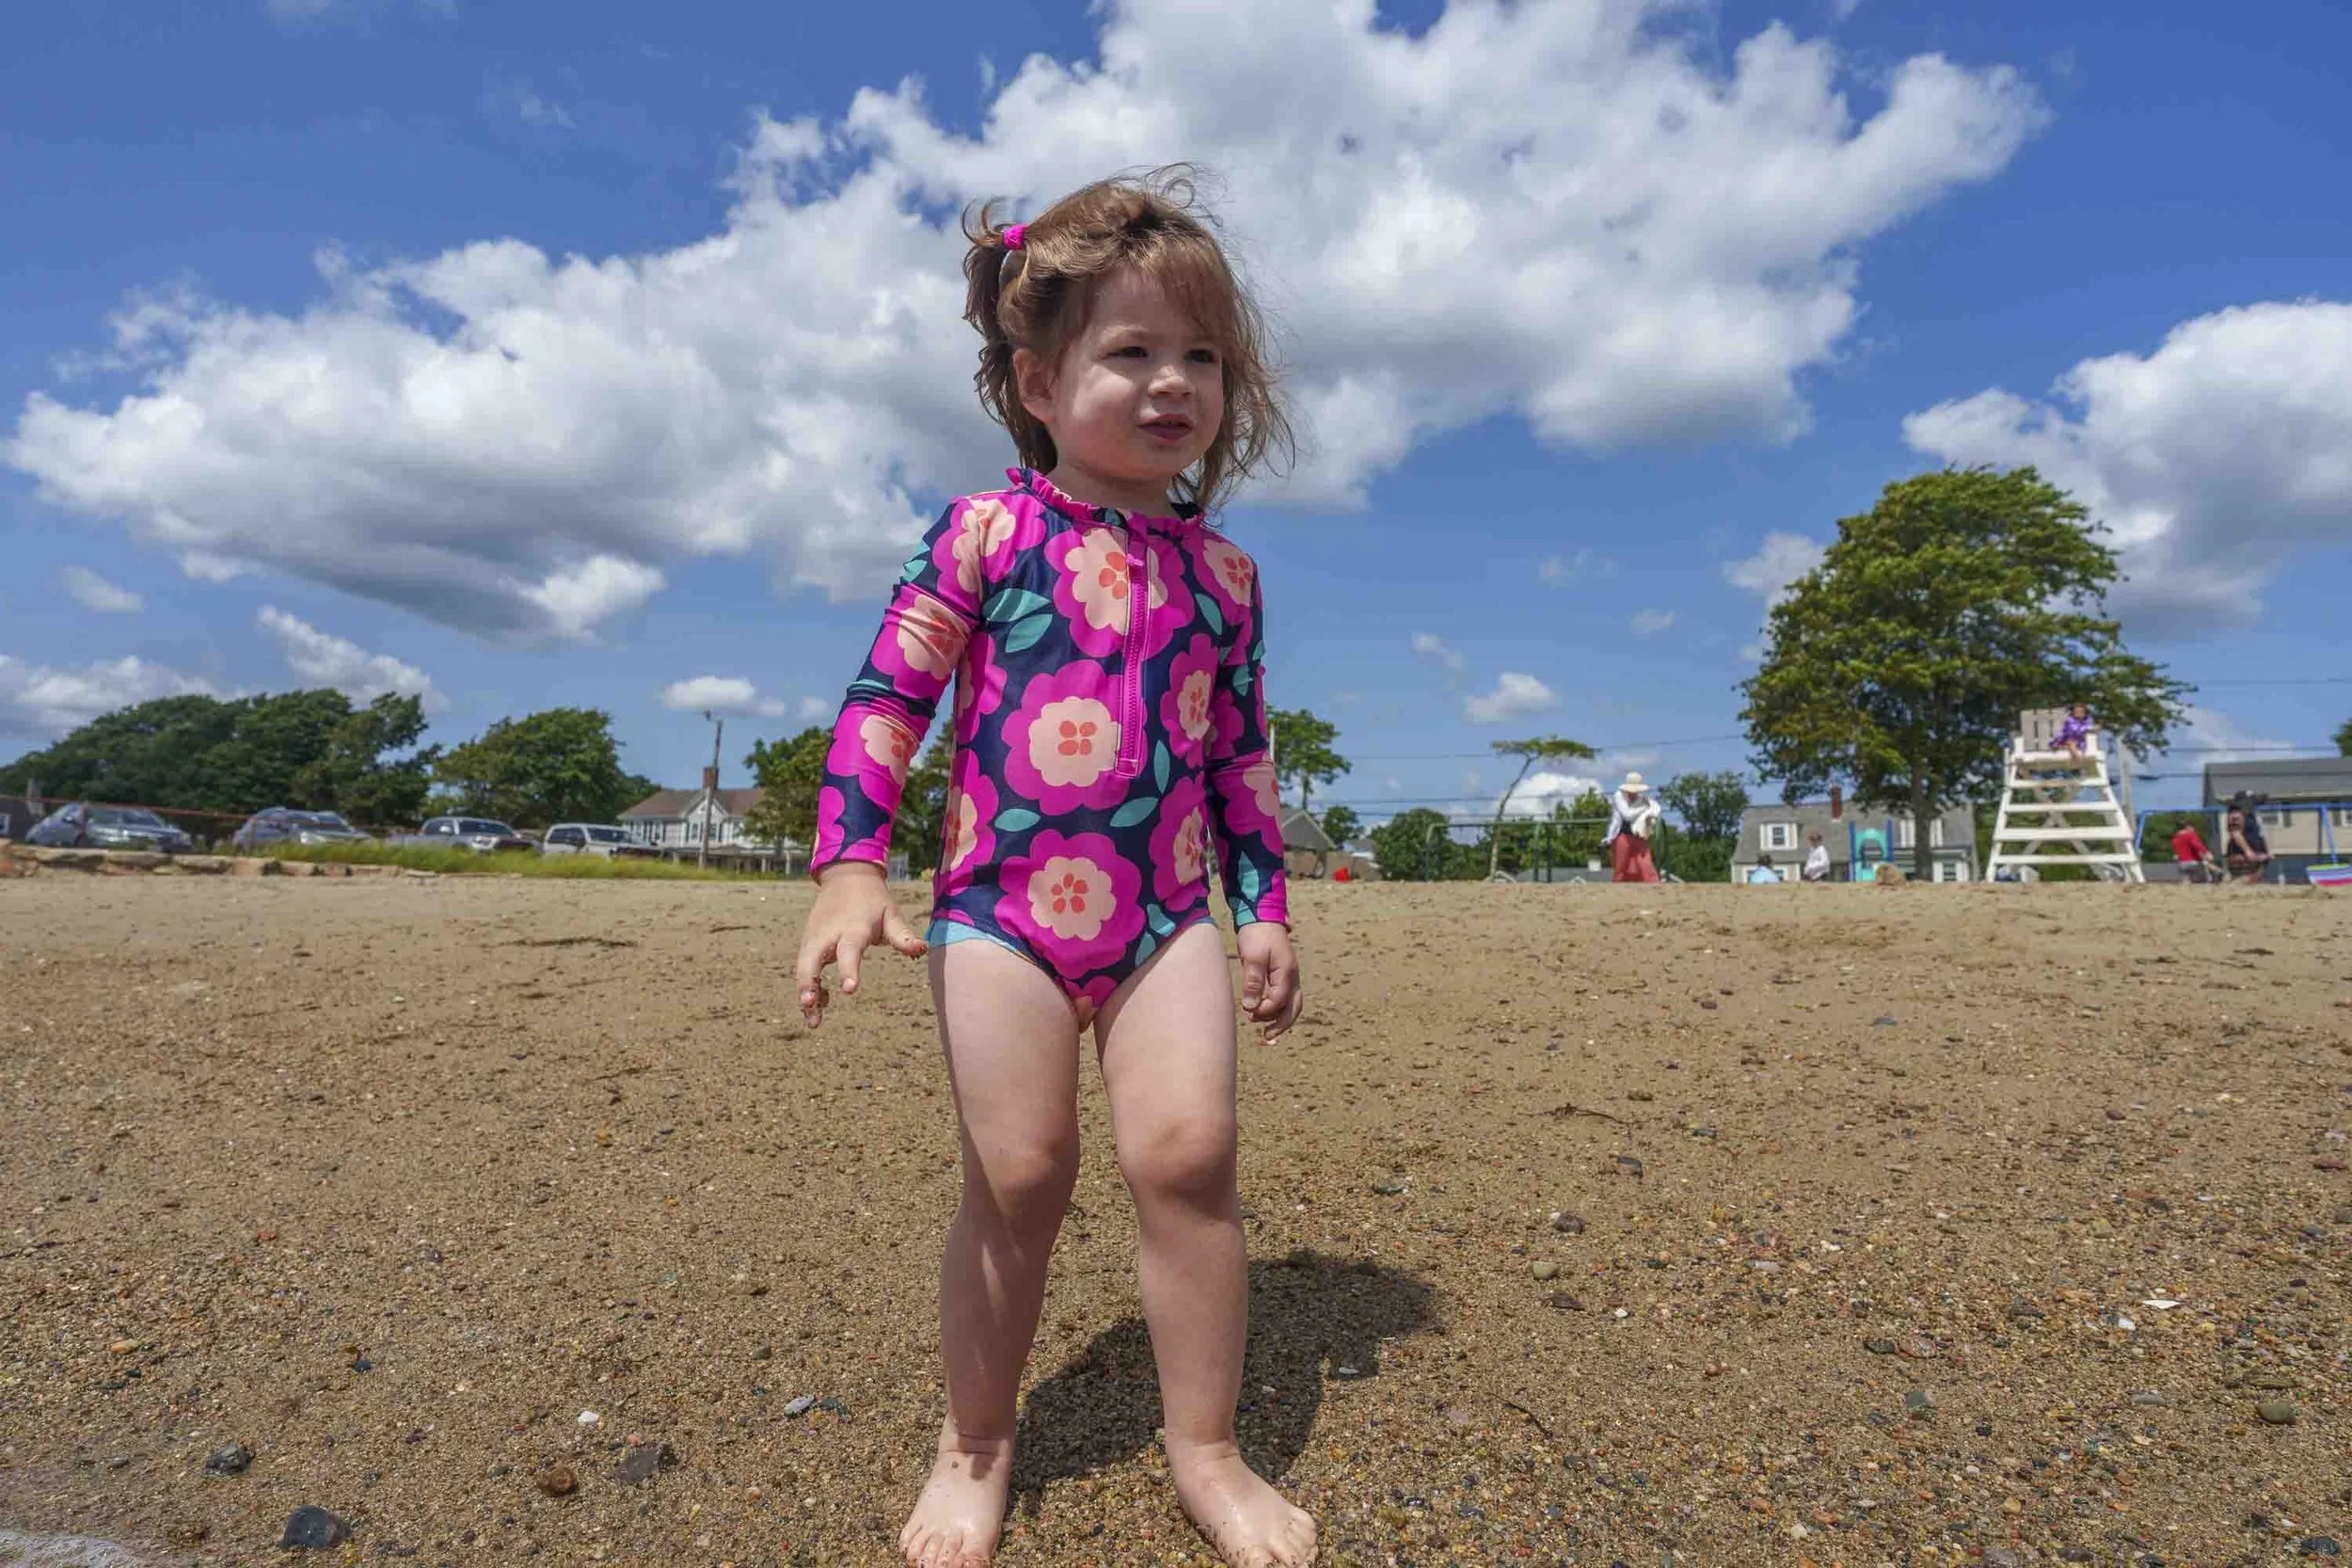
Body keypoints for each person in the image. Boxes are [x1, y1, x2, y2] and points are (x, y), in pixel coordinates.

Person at [792, 172, 1314, 1568]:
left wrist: (1261, 907)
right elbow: (886, 699)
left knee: (1192, 1157)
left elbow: (1240, 755)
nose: (1173, 382)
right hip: (997, 914)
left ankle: (1204, 1441)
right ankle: (976, 1439)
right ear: (1037, 377)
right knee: (1019, 1172)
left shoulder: (1229, 577)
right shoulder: (986, 533)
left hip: (1164, 916)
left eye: (1201, 355)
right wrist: (851, 864)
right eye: (1131, 351)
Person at [1602, 771, 1662, 882]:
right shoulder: (1618, 796)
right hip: (1622, 836)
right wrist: (1643, 808)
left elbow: (1651, 814)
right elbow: (1627, 815)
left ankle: (1654, 887)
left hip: (1639, 836)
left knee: (1646, 864)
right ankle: (1617, 891)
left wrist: (1649, 818)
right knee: (1621, 868)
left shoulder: (1643, 800)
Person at [2224, 792, 2272, 883]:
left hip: (2255, 856)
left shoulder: (2251, 815)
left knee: (2253, 881)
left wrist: (2264, 852)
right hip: (2241, 855)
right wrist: (2248, 851)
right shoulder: (2236, 814)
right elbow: (2235, 833)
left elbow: (2259, 835)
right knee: (2242, 881)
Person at [2170, 817, 2219, 884]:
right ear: (2188, 827)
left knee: (2188, 880)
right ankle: (2218, 874)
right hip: (2192, 863)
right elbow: (2197, 845)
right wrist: (2207, 852)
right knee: (2206, 864)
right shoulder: (2190, 835)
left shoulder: (2175, 838)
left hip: (2181, 864)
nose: (2193, 829)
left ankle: (2187, 882)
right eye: (2192, 827)